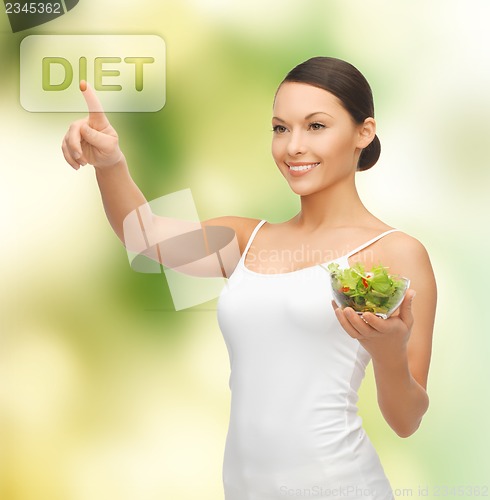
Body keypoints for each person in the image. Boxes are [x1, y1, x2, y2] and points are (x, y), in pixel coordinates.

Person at [62, 56, 437, 500]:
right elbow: (145, 237)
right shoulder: (246, 237)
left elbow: (406, 421)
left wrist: (388, 353)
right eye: (280, 128)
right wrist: (111, 162)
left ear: (363, 132)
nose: (293, 146)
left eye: (316, 126)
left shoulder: (397, 251)